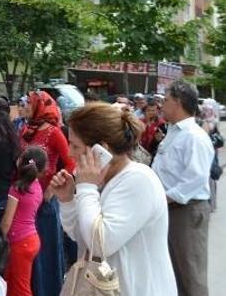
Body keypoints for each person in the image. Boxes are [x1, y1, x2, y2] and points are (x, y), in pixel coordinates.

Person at [51, 103, 177, 296]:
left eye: (75, 146)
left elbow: (102, 243)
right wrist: (68, 201)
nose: (69, 152)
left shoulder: (138, 179)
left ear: (101, 150)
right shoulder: (101, 179)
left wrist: (86, 187)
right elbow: (82, 236)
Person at [152, 80, 214, 296]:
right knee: (173, 275)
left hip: (186, 211)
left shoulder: (194, 136)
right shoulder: (173, 132)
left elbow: (194, 180)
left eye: (166, 100)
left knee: (190, 276)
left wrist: (163, 198)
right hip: (170, 209)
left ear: (178, 102)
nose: (162, 105)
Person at [20, 90, 75, 296]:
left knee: (46, 250)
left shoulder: (54, 132)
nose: (25, 106)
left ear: (39, 105)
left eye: (29, 102)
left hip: (45, 202)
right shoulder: (26, 130)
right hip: (27, 200)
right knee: (30, 252)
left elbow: (71, 162)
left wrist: (53, 186)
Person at [0, 146, 46, 296]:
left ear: (20, 163)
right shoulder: (37, 187)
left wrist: (0, 238)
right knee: (14, 282)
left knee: (20, 288)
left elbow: (7, 221)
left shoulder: (17, 189)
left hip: (19, 242)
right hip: (31, 239)